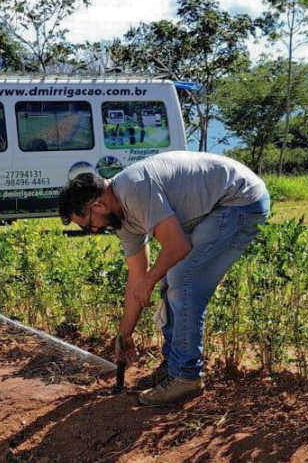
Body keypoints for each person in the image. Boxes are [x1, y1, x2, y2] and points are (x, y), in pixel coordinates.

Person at [58, 151, 270, 405]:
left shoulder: (133, 190)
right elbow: (136, 278)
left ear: (98, 206)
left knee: (183, 280)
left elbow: (178, 247)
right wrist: (124, 334)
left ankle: (186, 376)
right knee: (170, 280)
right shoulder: (123, 219)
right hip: (218, 207)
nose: (92, 231)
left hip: (240, 201)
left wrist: (150, 279)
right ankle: (174, 367)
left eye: (88, 224)